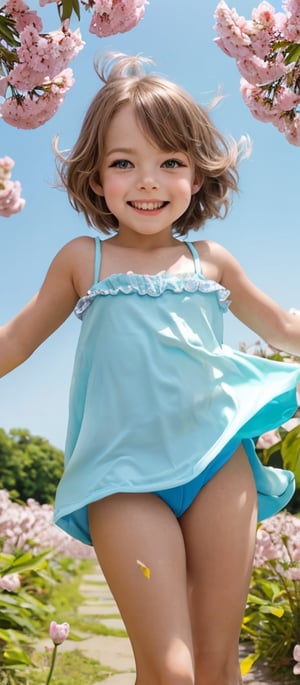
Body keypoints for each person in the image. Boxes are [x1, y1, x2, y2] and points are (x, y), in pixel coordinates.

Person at [1, 53, 300, 685]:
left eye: (170, 162)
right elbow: (17, 341)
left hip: (219, 466)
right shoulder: (85, 258)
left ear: (197, 174)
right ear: (95, 177)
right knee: (171, 669)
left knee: (218, 665)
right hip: (121, 475)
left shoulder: (211, 262)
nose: (147, 181)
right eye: (123, 162)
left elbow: (284, 328)